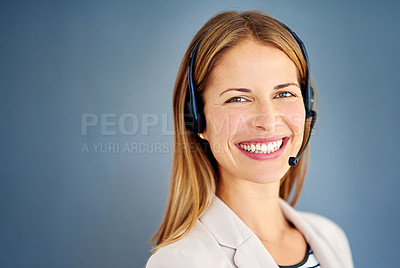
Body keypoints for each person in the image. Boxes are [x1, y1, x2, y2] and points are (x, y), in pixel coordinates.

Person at [146, 10, 354, 268]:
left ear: (307, 106)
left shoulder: (330, 237)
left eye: (284, 94)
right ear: (198, 119)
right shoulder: (181, 261)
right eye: (238, 99)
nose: (267, 121)